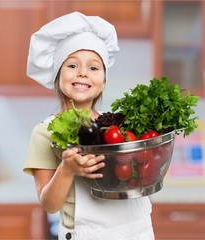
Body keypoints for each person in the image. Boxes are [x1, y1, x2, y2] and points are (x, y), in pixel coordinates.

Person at [23, 12, 154, 240]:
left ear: (103, 81)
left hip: (137, 230)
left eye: (94, 68)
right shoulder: (45, 132)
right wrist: (67, 170)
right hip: (87, 234)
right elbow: (49, 204)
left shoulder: (119, 127)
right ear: (57, 74)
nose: (83, 72)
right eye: (72, 65)